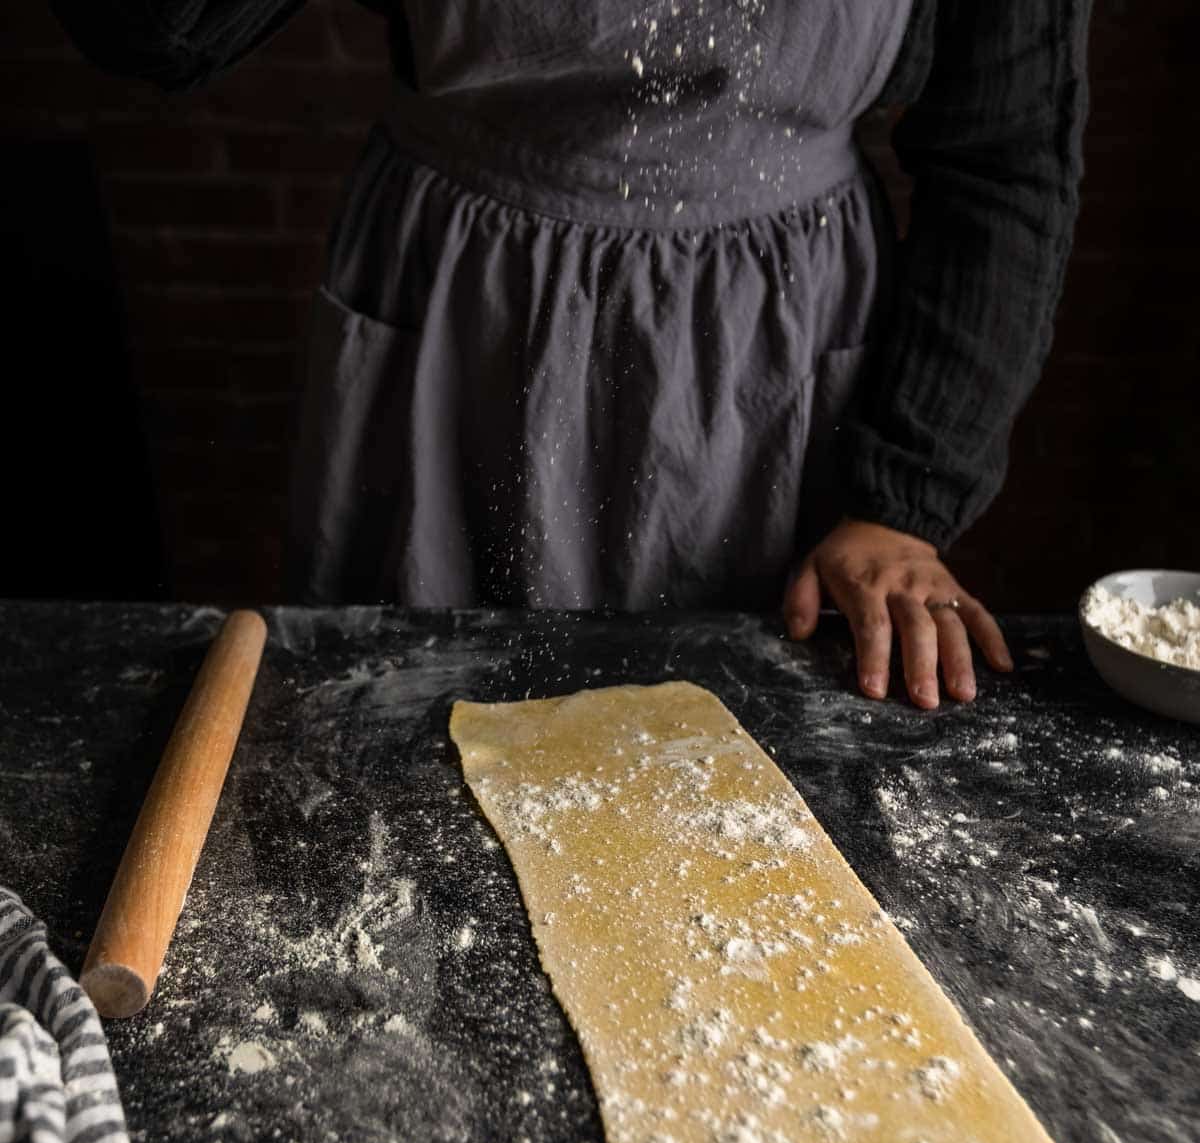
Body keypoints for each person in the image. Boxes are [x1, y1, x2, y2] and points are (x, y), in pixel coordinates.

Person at [51, 0, 1092, 709]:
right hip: (465, 332)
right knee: (415, 752)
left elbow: (1005, 155)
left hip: (777, 361)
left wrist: (901, 501)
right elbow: (153, 28)